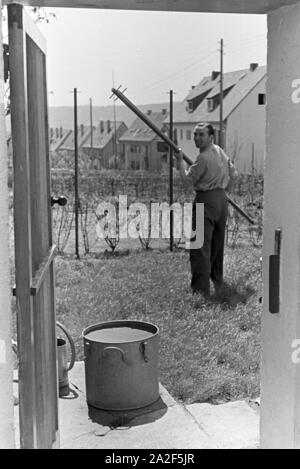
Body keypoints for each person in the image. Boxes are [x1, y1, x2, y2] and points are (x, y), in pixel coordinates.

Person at [175, 122, 238, 296]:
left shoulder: (202, 158)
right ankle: (217, 280)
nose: (197, 138)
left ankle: (200, 290)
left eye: (201, 135)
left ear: (211, 137)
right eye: (195, 134)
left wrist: (180, 162)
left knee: (200, 245)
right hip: (221, 200)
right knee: (217, 245)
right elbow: (234, 174)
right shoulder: (219, 151)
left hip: (206, 201)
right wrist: (225, 191)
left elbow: (187, 181)